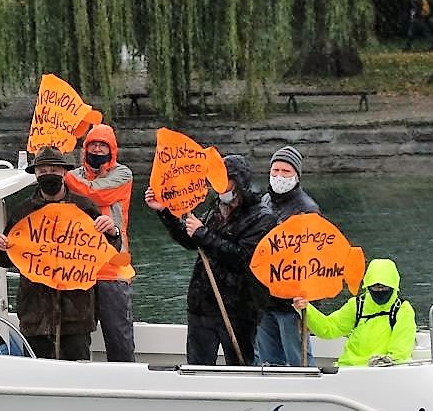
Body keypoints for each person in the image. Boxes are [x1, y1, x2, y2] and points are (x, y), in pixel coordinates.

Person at [0, 147, 120, 360]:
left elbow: (108, 251)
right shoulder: (22, 212)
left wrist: (112, 231)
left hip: (77, 313)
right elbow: (8, 258)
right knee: (37, 375)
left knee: (77, 374)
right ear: (35, 175)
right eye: (42, 171)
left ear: (63, 172)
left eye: (53, 170)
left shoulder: (84, 206)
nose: (48, 174)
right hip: (35, 314)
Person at [146, 153, 275, 365]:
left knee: (240, 367)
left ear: (239, 182)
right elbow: (192, 242)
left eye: (225, 180)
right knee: (197, 368)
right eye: (216, 180)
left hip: (238, 309)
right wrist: (166, 213)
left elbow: (244, 258)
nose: (219, 185)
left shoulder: (261, 217)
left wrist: (203, 234)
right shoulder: (216, 209)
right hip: (202, 305)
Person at [63, 123, 136, 362]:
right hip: (79, 267)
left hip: (113, 269)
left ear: (112, 150)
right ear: (85, 148)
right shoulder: (72, 176)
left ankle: (127, 385)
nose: (97, 149)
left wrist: (66, 178)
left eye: (102, 145)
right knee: (76, 336)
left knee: (119, 336)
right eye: (93, 144)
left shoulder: (123, 174)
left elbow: (95, 194)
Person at [255, 144, 319, 366]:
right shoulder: (263, 202)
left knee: (298, 358)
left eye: (286, 171)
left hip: (293, 302)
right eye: (275, 171)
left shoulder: (307, 209)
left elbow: (316, 258)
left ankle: (308, 394)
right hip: (264, 298)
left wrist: (310, 295)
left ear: (297, 175)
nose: (279, 176)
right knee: (268, 360)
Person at [291, 257, 417, 368]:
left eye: (384, 286)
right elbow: (329, 328)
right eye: (375, 286)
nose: (380, 290)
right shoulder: (357, 305)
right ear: (368, 286)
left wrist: (385, 363)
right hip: (348, 369)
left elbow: (400, 351)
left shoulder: (402, 309)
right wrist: (307, 309)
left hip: (381, 370)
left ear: (393, 286)